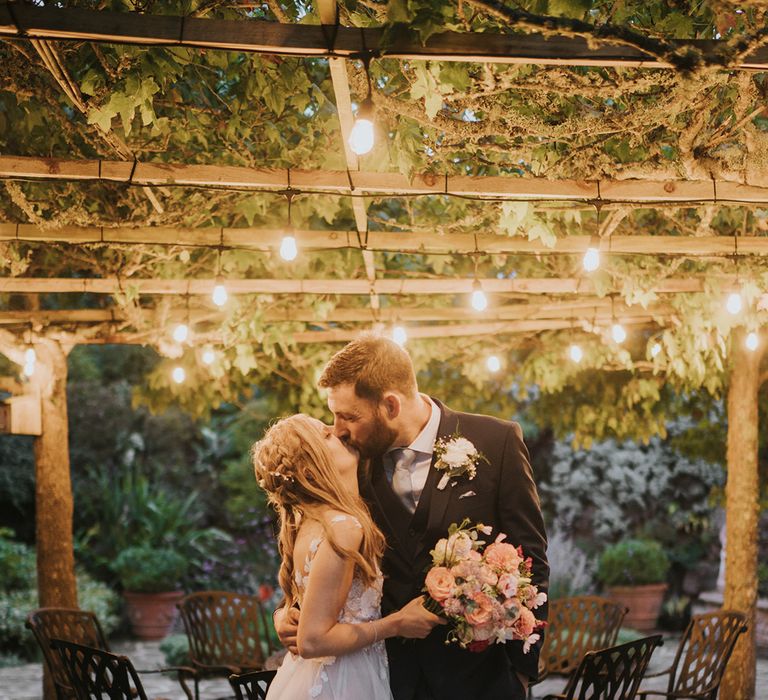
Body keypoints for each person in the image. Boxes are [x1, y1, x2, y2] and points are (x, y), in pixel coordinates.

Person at [276, 334, 549, 700]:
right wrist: (286, 612)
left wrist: (522, 672)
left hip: (481, 680)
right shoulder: (348, 464)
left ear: (390, 405)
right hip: (388, 679)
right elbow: (313, 546)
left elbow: (531, 559)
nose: (339, 429)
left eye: (349, 416)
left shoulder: (495, 441)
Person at [252, 414, 442, 700]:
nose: (338, 431)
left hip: (317, 674)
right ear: (309, 472)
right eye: (326, 435)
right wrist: (397, 623)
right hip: (340, 681)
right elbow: (313, 640)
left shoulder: (307, 522)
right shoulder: (342, 528)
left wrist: (285, 615)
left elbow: (311, 608)